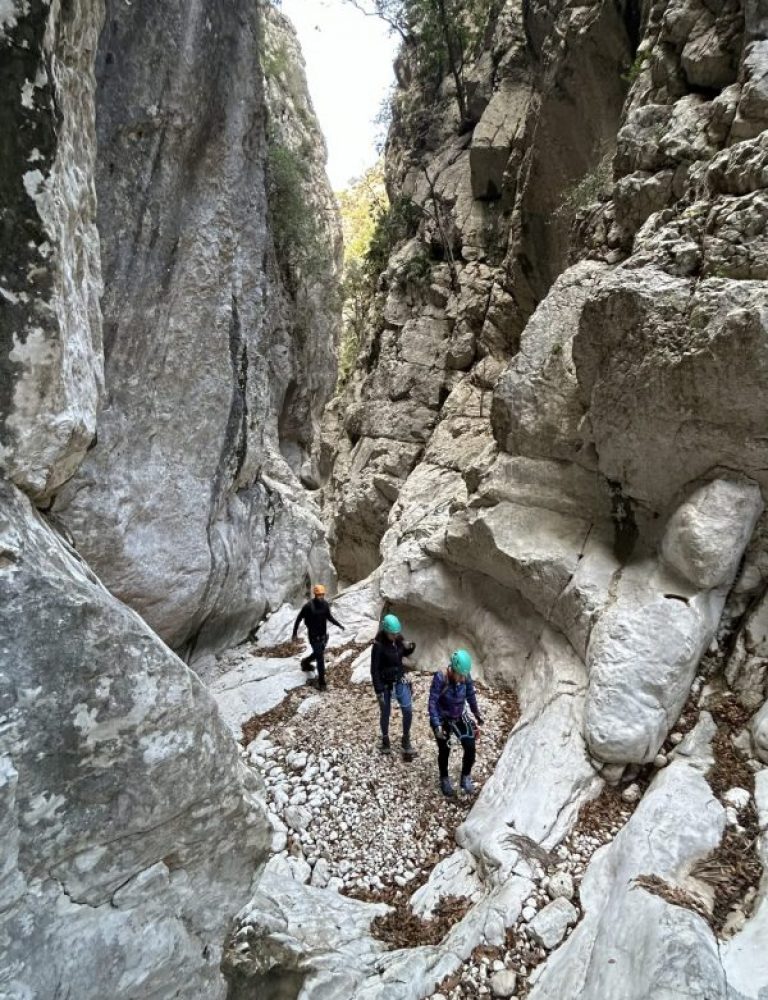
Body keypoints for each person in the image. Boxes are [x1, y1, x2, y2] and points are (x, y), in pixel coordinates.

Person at [428, 649, 484, 796]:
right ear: (453, 670)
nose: (462, 679)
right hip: (442, 718)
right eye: (460, 676)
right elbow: (432, 702)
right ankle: (444, 778)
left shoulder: (465, 676)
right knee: (444, 749)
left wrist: (476, 712)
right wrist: (436, 724)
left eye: (464, 676)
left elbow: (470, 694)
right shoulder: (441, 677)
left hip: (459, 715)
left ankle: (465, 776)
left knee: (470, 746)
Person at [371, 613, 416, 755]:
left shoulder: (398, 639)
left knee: (408, 710)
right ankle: (385, 740)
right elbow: (374, 669)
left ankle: (406, 738)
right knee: (385, 712)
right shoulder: (378, 646)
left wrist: (410, 647)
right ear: (385, 631)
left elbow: (404, 653)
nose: (395, 636)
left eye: (396, 633)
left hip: (399, 679)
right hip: (385, 684)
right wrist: (378, 691)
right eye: (392, 634)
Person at [291, 584, 343, 691]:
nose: (321, 597)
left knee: (317, 654)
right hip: (314, 637)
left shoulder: (325, 605)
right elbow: (299, 619)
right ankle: (322, 683)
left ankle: (305, 662)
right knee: (320, 659)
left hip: (323, 636)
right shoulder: (308, 606)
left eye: (322, 595)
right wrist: (294, 633)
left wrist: (339, 624)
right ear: (315, 594)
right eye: (319, 595)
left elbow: (329, 617)